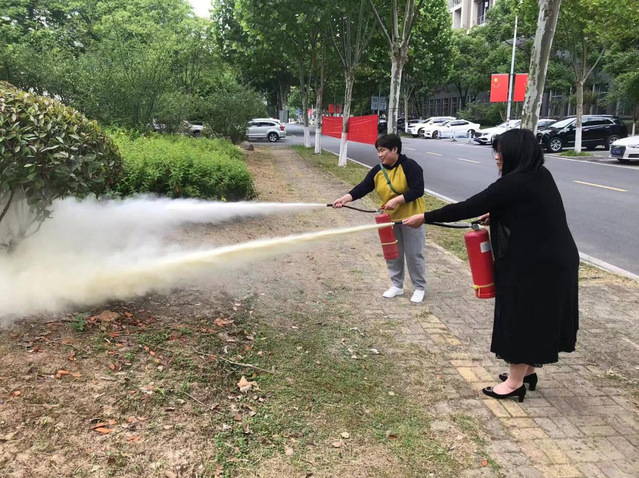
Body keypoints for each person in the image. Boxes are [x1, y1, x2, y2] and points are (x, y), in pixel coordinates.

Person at [403, 128, 579, 402]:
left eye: (501, 152)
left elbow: (468, 206)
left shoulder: (513, 183)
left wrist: (425, 217)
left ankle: (514, 383)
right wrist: (497, 213)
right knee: (538, 316)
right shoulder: (539, 174)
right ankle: (527, 371)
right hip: (553, 259)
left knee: (522, 316)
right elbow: (527, 211)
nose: (497, 157)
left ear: (516, 153)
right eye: (496, 151)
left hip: (537, 265)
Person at [333, 134, 427, 303]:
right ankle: (397, 285)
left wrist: (397, 200)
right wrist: (345, 198)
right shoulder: (378, 170)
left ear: (395, 149)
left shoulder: (410, 166)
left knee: (414, 254)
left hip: (412, 219)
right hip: (389, 220)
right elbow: (363, 187)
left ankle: (419, 287)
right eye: (378, 151)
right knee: (393, 254)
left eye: (383, 150)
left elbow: (418, 190)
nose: (380, 155)